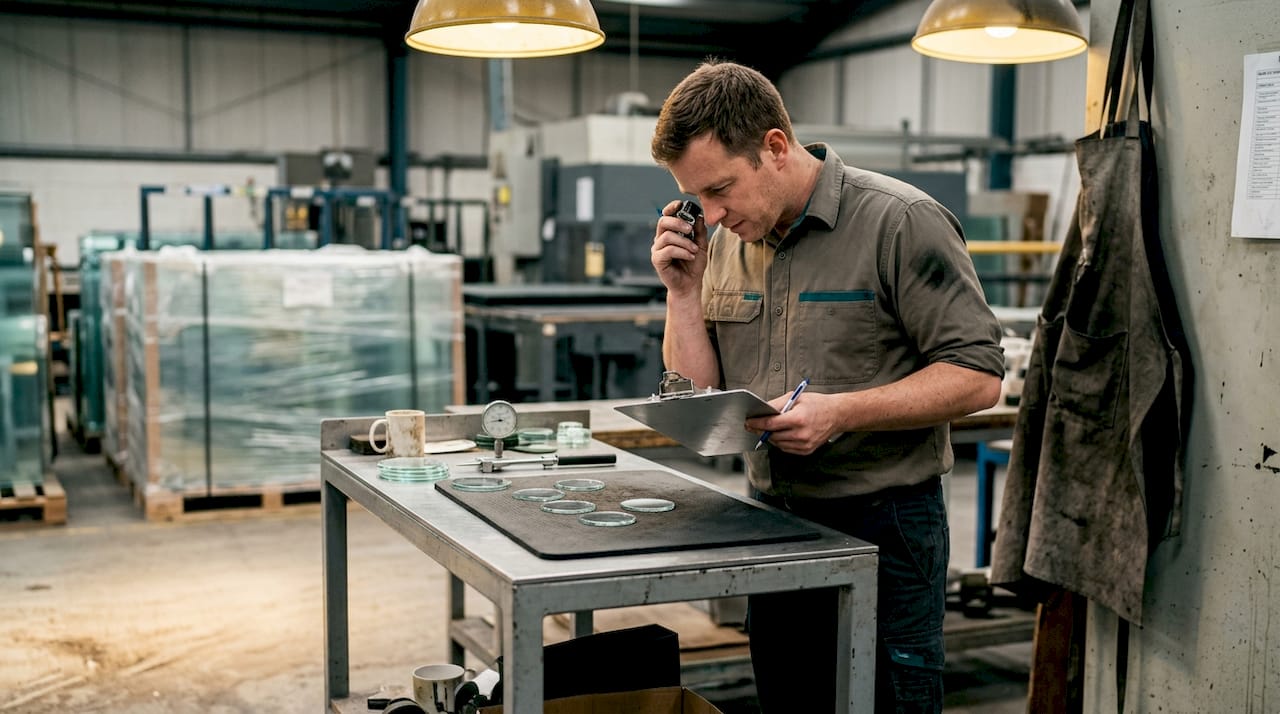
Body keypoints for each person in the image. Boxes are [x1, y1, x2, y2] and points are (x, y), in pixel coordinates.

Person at [649, 60, 1004, 714]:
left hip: (887, 527)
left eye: (722, 188)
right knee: (792, 702)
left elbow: (979, 375)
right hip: (771, 521)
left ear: (775, 149)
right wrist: (683, 293)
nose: (715, 214)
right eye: (700, 198)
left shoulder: (900, 221)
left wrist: (840, 412)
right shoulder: (724, 240)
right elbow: (697, 390)